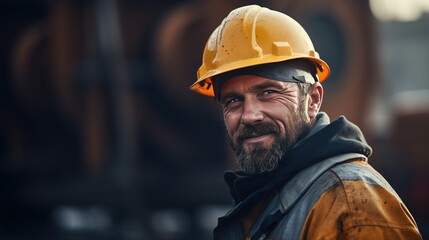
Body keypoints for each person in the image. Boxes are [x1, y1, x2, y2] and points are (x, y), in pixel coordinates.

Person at [189, 5, 423, 240]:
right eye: (233, 100)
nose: (249, 115)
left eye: (268, 93)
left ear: (313, 100)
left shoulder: (353, 206)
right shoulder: (269, 199)